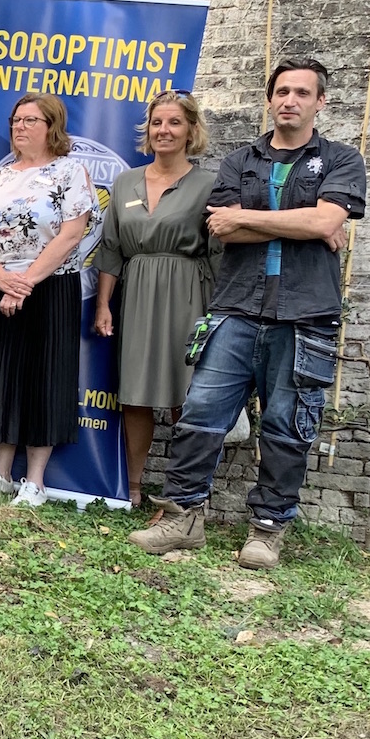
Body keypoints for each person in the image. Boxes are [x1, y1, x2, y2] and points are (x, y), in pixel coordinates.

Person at [132, 58, 364, 569]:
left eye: (302, 93)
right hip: (235, 308)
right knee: (200, 417)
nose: (290, 100)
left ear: (319, 102)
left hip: (305, 314)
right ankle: (184, 518)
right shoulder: (241, 162)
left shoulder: (343, 160)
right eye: (282, 91)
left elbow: (327, 218)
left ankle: (267, 528)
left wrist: (256, 217)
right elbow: (224, 230)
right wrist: (304, 224)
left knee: (287, 425)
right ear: (270, 99)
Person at [0, 92, 99, 508]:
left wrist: (25, 283)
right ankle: (0, 473)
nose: (20, 127)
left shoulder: (71, 171)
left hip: (51, 286)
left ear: (51, 126)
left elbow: (72, 234)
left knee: (44, 375)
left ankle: (34, 481)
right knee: (0, 373)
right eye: (16, 120)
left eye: (30, 120)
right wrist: (3, 280)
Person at [92, 91, 216, 506]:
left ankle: (183, 494)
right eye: (157, 123)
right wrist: (104, 303)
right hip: (137, 291)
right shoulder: (126, 181)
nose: (164, 130)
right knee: (135, 393)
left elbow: (218, 252)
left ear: (191, 130)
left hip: (188, 294)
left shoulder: (209, 185)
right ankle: (135, 487)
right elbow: (111, 248)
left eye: (174, 123)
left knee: (187, 394)